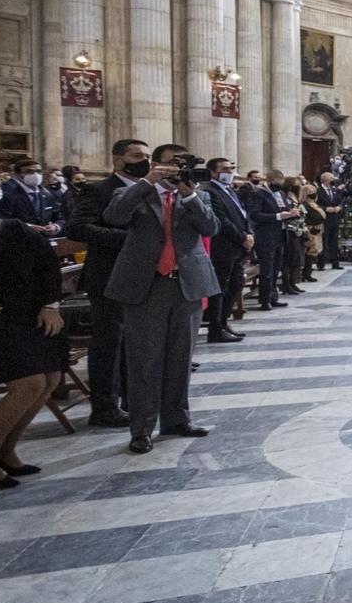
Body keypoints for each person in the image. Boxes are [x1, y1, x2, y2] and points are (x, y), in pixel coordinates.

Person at [102, 144, 218, 454]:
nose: (177, 169)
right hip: (147, 285)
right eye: (171, 163)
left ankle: (176, 420)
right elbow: (115, 217)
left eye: (182, 163)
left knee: (181, 359)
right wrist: (147, 182)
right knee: (144, 361)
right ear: (155, 165)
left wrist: (190, 196)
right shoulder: (132, 192)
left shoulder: (197, 195)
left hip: (186, 284)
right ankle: (141, 429)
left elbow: (210, 227)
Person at [0, 173, 67, 490]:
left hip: (33, 311)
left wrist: (51, 305)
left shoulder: (14, 228)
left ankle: (7, 451)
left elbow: (47, 264)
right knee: (27, 383)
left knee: (50, 379)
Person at [65, 139, 152, 429]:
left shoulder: (149, 189)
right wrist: (128, 240)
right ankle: (103, 407)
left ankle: (129, 399)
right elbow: (77, 228)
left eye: (147, 155)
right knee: (109, 342)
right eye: (136, 156)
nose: (144, 160)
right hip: (108, 274)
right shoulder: (99, 189)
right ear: (118, 160)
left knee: (133, 340)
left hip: (141, 275)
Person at [202, 158, 251, 344]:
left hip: (237, 247)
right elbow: (222, 221)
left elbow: (243, 214)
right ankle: (215, 328)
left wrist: (249, 233)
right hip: (223, 247)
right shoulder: (211, 192)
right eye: (224, 169)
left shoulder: (229, 191)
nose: (229, 172)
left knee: (236, 284)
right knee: (220, 289)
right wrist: (243, 238)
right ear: (213, 173)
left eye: (231, 168)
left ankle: (224, 323)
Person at [247, 176, 298, 311]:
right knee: (267, 270)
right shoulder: (258, 194)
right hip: (265, 236)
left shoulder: (281, 194)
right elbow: (255, 215)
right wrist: (278, 216)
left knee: (276, 268)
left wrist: (291, 213)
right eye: (276, 183)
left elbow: (284, 209)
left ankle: (273, 297)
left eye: (281, 183)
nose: (279, 185)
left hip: (280, 235)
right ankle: (265, 299)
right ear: (269, 181)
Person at [1, 159, 61, 234]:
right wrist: (26, 227)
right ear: (17, 175)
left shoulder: (47, 195)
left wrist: (55, 226)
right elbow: (5, 220)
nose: (36, 175)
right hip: (19, 237)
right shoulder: (9, 195)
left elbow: (59, 216)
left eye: (39, 171)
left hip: (43, 238)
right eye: (29, 171)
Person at [281, 178, 308, 293]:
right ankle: (286, 284)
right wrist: (296, 229)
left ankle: (293, 282)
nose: (299, 186)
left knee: (298, 259)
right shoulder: (285, 199)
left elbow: (302, 214)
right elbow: (286, 216)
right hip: (290, 232)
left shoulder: (297, 198)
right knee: (290, 259)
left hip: (300, 231)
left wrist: (302, 229)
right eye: (296, 184)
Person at [315, 171, 346, 270]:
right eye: (331, 178)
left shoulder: (334, 190)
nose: (333, 180)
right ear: (325, 179)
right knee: (324, 241)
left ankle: (335, 263)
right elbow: (315, 204)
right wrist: (325, 209)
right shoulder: (318, 191)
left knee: (334, 241)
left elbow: (340, 201)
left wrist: (339, 207)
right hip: (324, 219)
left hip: (334, 219)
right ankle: (321, 263)